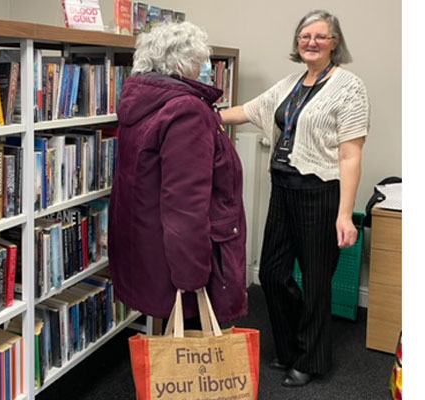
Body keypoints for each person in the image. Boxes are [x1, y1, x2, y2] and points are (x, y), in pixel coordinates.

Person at [220, 10, 370, 387]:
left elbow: (351, 155)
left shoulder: (349, 87)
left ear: (335, 43)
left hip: (320, 193)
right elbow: (248, 110)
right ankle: (289, 348)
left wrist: (344, 215)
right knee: (272, 273)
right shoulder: (290, 83)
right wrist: (201, 113)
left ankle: (312, 359)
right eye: (305, 35)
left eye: (320, 36)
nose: (311, 42)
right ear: (297, 41)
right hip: (283, 189)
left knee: (318, 281)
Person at [108, 21, 248, 327]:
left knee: (168, 345)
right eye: (201, 61)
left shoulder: (143, 101)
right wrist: (193, 276)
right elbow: (185, 205)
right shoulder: (186, 111)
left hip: (149, 247)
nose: (205, 68)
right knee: (191, 357)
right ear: (184, 63)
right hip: (178, 261)